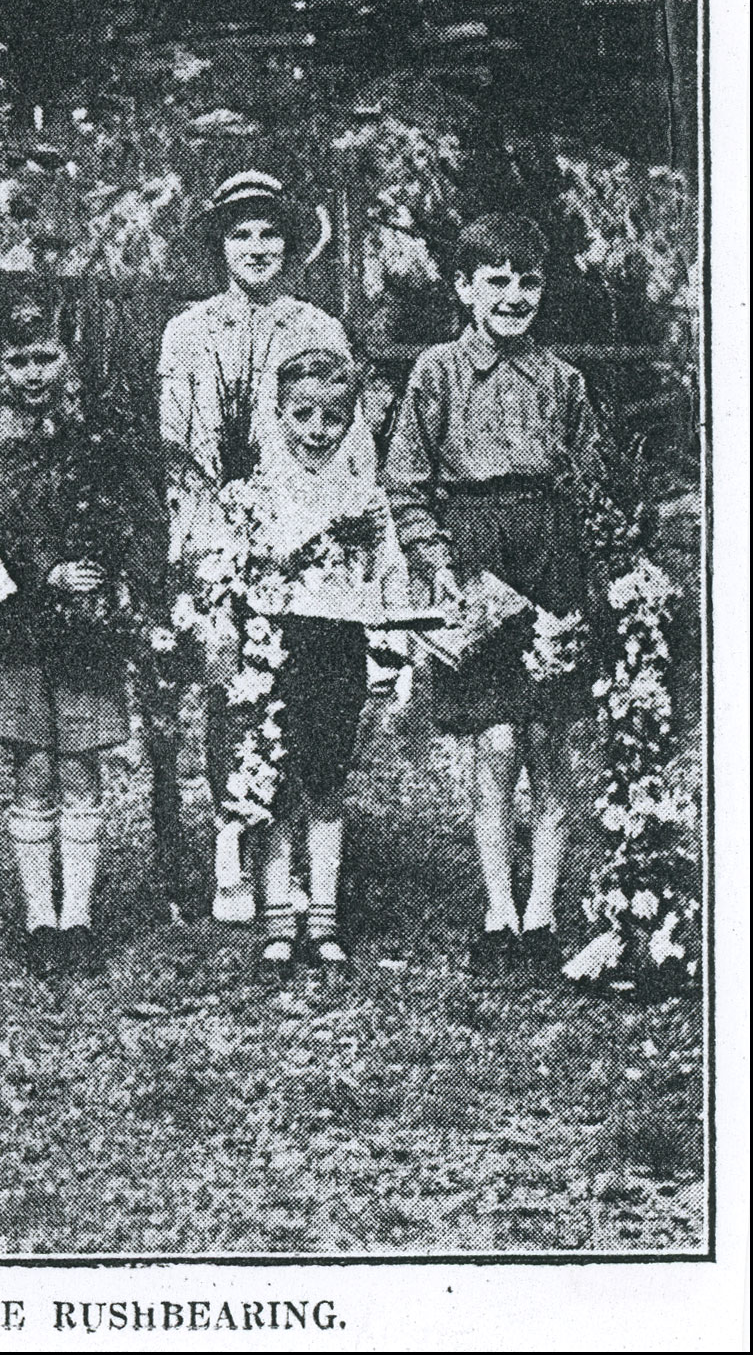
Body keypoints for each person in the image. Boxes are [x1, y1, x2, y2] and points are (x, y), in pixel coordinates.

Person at [382, 213, 603, 976]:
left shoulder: (562, 381)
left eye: (527, 281)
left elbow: (594, 485)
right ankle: (497, 910)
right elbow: (405, 480)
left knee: (545, 737)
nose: (512, 296)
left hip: (548, 555)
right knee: (494, 740)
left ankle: (541, 912)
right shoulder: (436, 371)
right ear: (463, 287)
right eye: (495, 280)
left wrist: (591, 574)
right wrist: (435, 559)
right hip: (475, 555)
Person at [157, 170, 370, 925]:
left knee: (299, 689)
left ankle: (300, 859)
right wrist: (206, 542)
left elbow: (339, 444)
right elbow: (178, 448)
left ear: (289, 245)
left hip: (300, 532)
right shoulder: (188, 332)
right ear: (219, 245)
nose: (256, 247)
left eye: (269, 233)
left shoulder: (318, 328)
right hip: (217, 525)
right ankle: (233, 852)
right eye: (240, 233)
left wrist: (316, 534)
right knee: (231, 681)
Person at [203, 348, 414, 973]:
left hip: (338, 649)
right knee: (274, 779)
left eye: (334, 418)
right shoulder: (256, 496)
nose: (318, 431)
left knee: (326, 781)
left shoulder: (364, 497)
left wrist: (392, 651)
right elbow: (225, 573)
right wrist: (227, 630)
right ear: (280, 413)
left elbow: (388, 577)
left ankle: (322, 919)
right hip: (273, 650)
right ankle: (277, 917)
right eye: (304, 415)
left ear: (352, 421)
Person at [0, 293, 146, 979]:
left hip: (84, 628)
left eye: (45, 357)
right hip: (20, 626)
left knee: (79, 764)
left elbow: (126, 516)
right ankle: (39, 918)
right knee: (32, 765)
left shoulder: (94, 437)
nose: (33, 373)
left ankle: (79, 918)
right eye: (18, 360)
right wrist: (44, 573)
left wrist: (105, 570)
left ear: (68, 360)